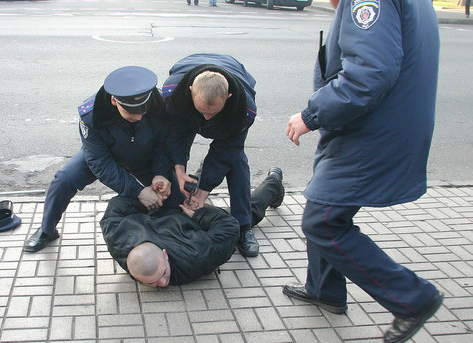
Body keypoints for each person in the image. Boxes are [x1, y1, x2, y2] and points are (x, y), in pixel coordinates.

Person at [284, 1, 443, 342]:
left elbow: (369, 74)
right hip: (376, 123)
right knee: (323, 199)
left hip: (372, 130)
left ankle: (413, 299)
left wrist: (311, 116)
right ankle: (324, 289)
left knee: (323, 221)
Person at [24, 66, 184, 253]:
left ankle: (166, 237)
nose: (139, 117)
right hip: (108, 155)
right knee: (64, 180)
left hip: (146, 155)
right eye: (132, 115)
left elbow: (162, 144)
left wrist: (160, 174)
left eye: (143, 112)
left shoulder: (158, 104)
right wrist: (139, 191)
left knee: (175, 197)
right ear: (114, 101)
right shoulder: (92, 115)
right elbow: (100, 163)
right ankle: (46, 230)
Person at [162, 53, 279, 258]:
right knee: (178, 150)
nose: (206, 118)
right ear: (190, 91)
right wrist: (179, 171)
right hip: (187, 91)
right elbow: (175, 136)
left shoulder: (243, 109)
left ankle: (244, 226)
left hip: (235, 90)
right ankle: (196, 178)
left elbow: (225, 152)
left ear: (228, 97)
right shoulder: (173, 93)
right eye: (202, 112)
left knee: (235, 160)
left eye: (212, 113)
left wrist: (202, 194)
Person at [100, 167, 285, 287]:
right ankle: (273, 182)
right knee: (244, 211)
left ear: (165, 255)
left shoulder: (196, 256)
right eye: (152, 283)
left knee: (245, 213)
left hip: (183, 213)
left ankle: (273, 184)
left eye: (163, 274)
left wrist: (152, 200)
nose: (164, 283)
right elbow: (228, 227)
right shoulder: (118, 244)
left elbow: (231, 227)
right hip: (183, 218)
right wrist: (197, 215)